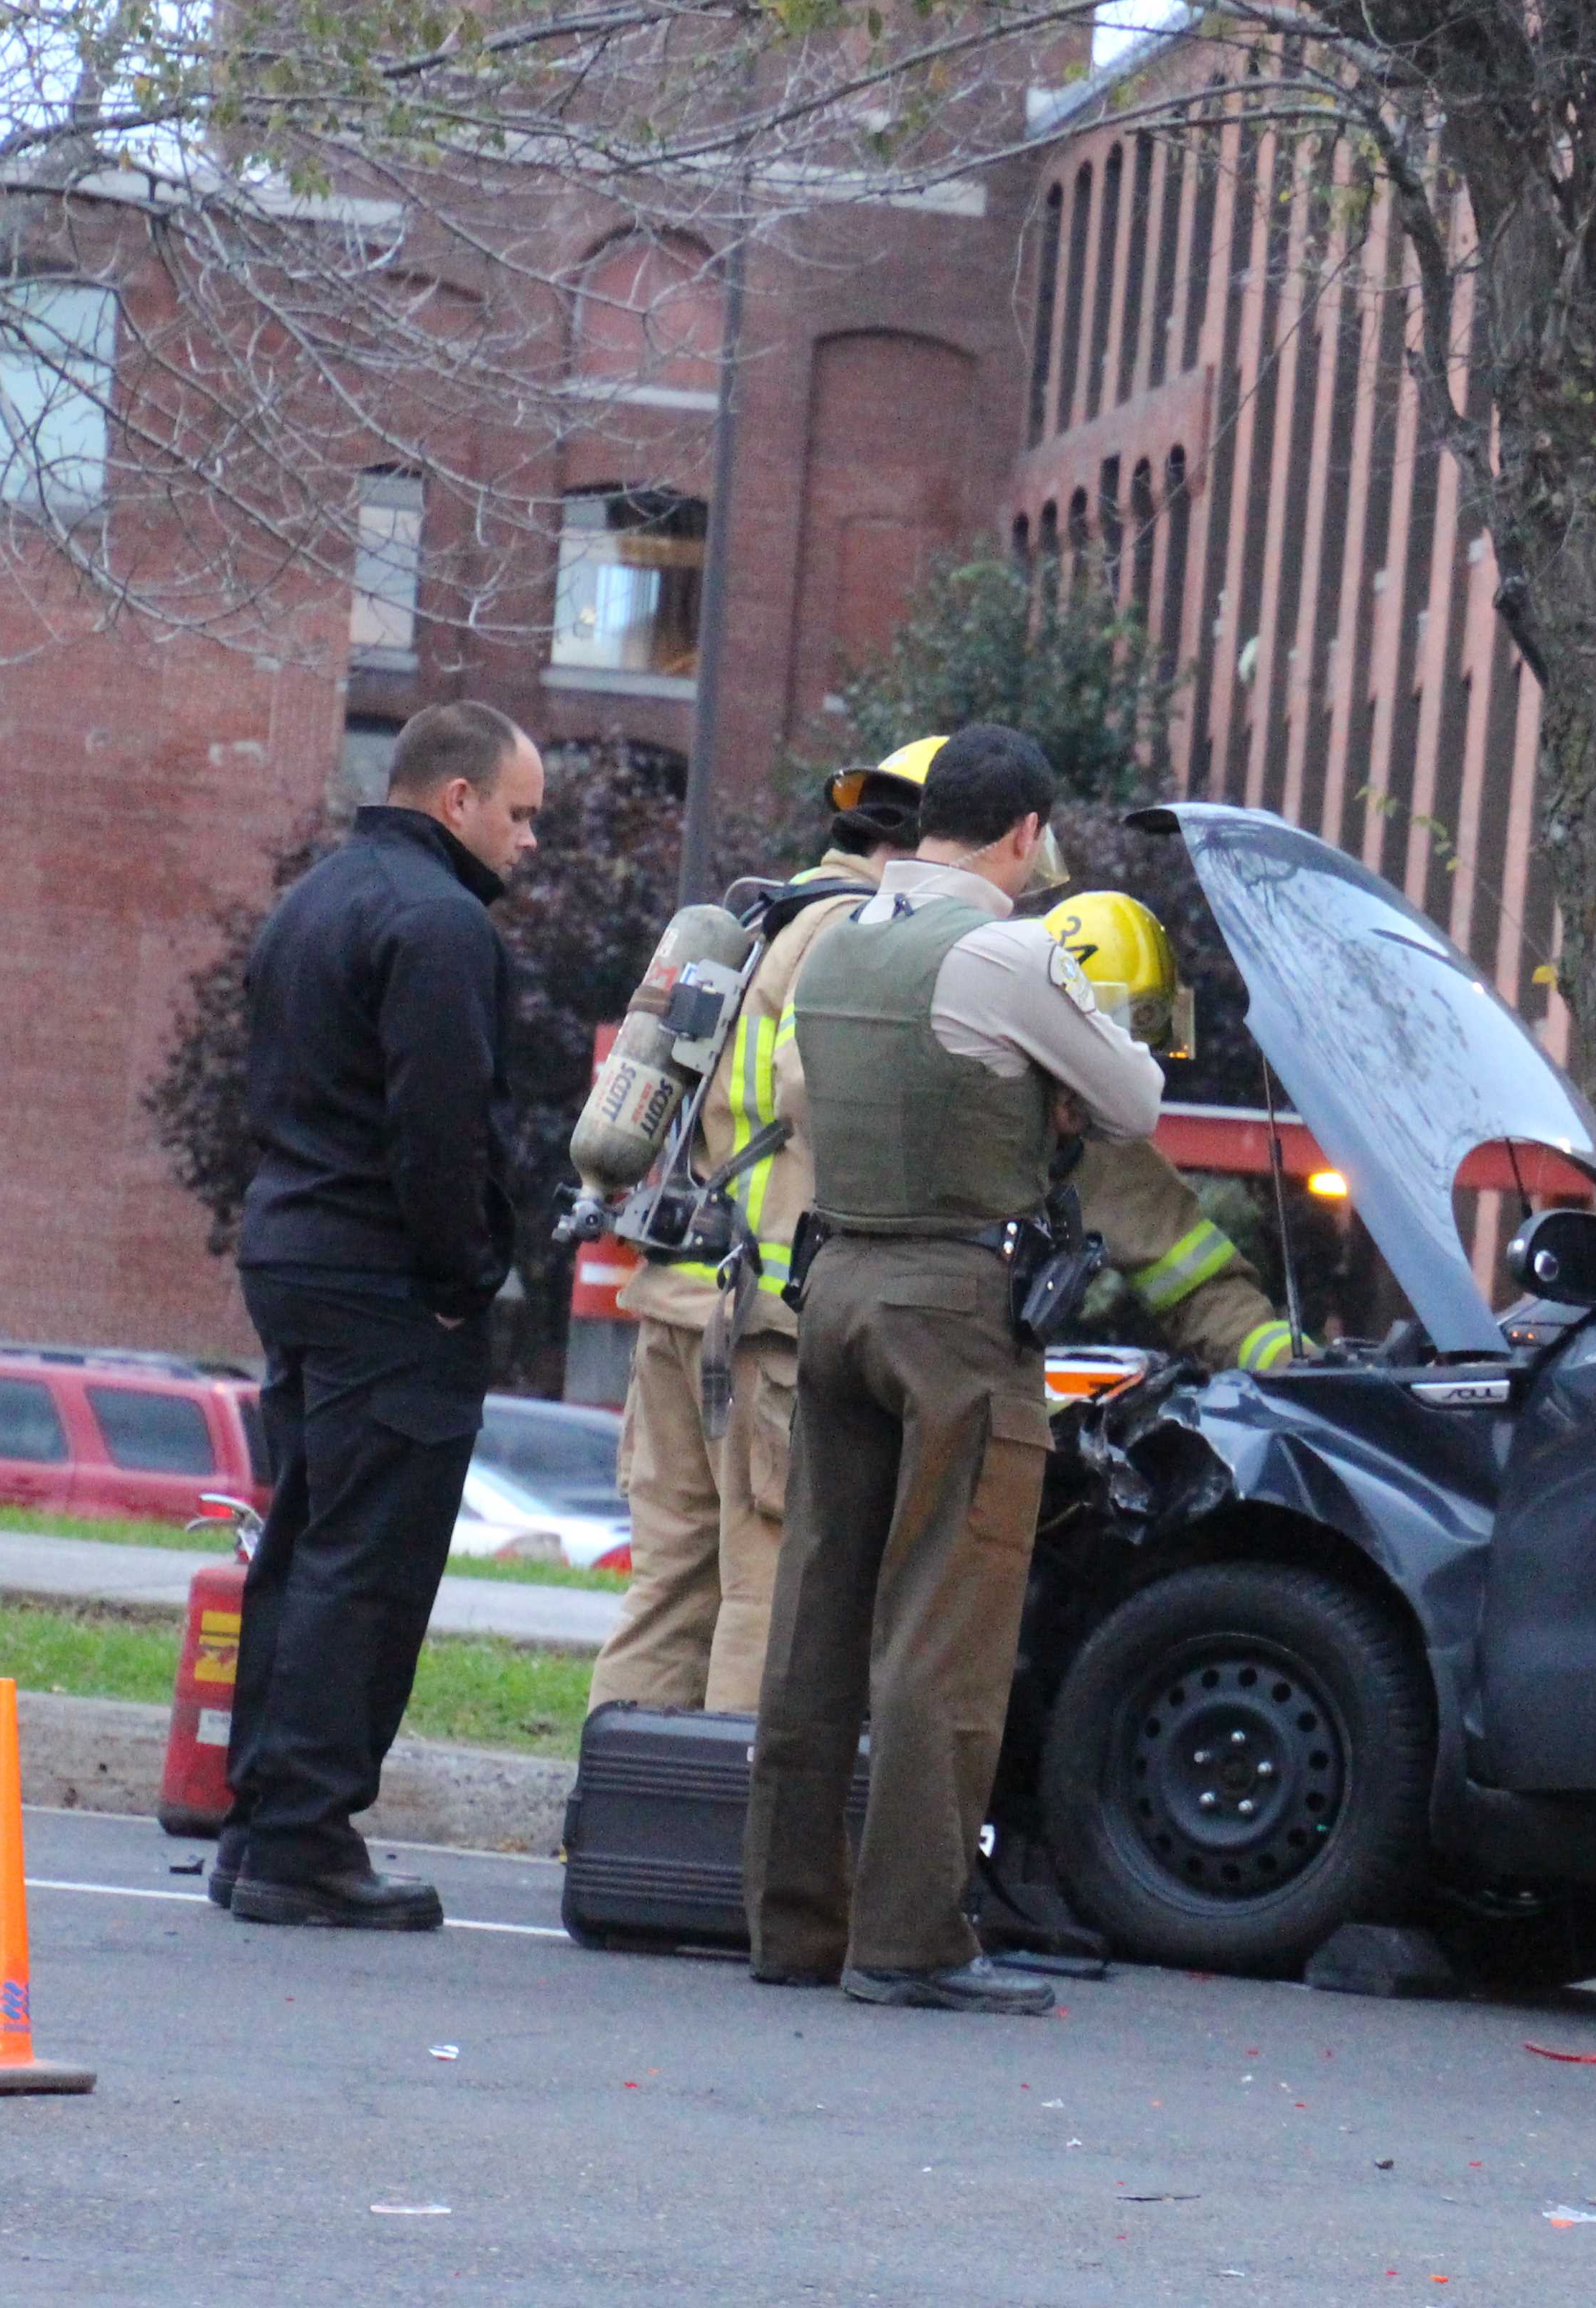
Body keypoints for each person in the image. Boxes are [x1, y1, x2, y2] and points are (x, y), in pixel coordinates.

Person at [744, 724, 1165, 2014]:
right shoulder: (1006, 949)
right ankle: (912, 1935)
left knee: (815, 1608)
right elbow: (1133, 1099)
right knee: (945, 1619)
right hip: (954, 1308)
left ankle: (792, 1924)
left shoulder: (837, 938)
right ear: (1025, 833)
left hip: (833, 1288)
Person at [215, 701, 544, 1930]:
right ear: (454, 800)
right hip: (382, 1276)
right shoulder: (440, 926)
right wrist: (464, 1279)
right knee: (368, 1562)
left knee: (304, 1543)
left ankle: (261, 1824)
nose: (526, 842)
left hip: (294, 1247)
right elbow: (442, 1129)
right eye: (518, 814)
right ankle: (302, 1836)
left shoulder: (314, 899)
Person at [584, 739, 930, 1716]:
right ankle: (730, 1851)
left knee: (669, 1587)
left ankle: (614, 1832)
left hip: (675, 1300)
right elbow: (823, 1100)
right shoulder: (856, 938)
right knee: (765, 1593)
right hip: (761, 1333)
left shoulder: (756, 918)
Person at [1041, 889, 1305, 1373]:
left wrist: (1301, 1372)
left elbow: (1203, 1292)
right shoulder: (958, 1118)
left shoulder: (1106, 1156)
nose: (1137, 1077)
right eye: (1121, 1053)